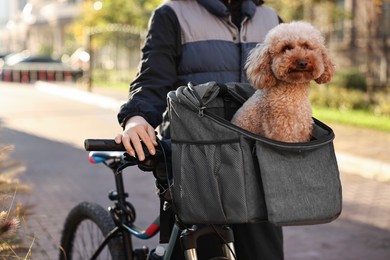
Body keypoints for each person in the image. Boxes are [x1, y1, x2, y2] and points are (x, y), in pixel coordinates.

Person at [115, 0, 284, 259]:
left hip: (258, 167)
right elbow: (153, 79)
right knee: (198, 249)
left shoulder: (271, 19)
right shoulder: (174, 14)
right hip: (197, 162)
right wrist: (136, 118)